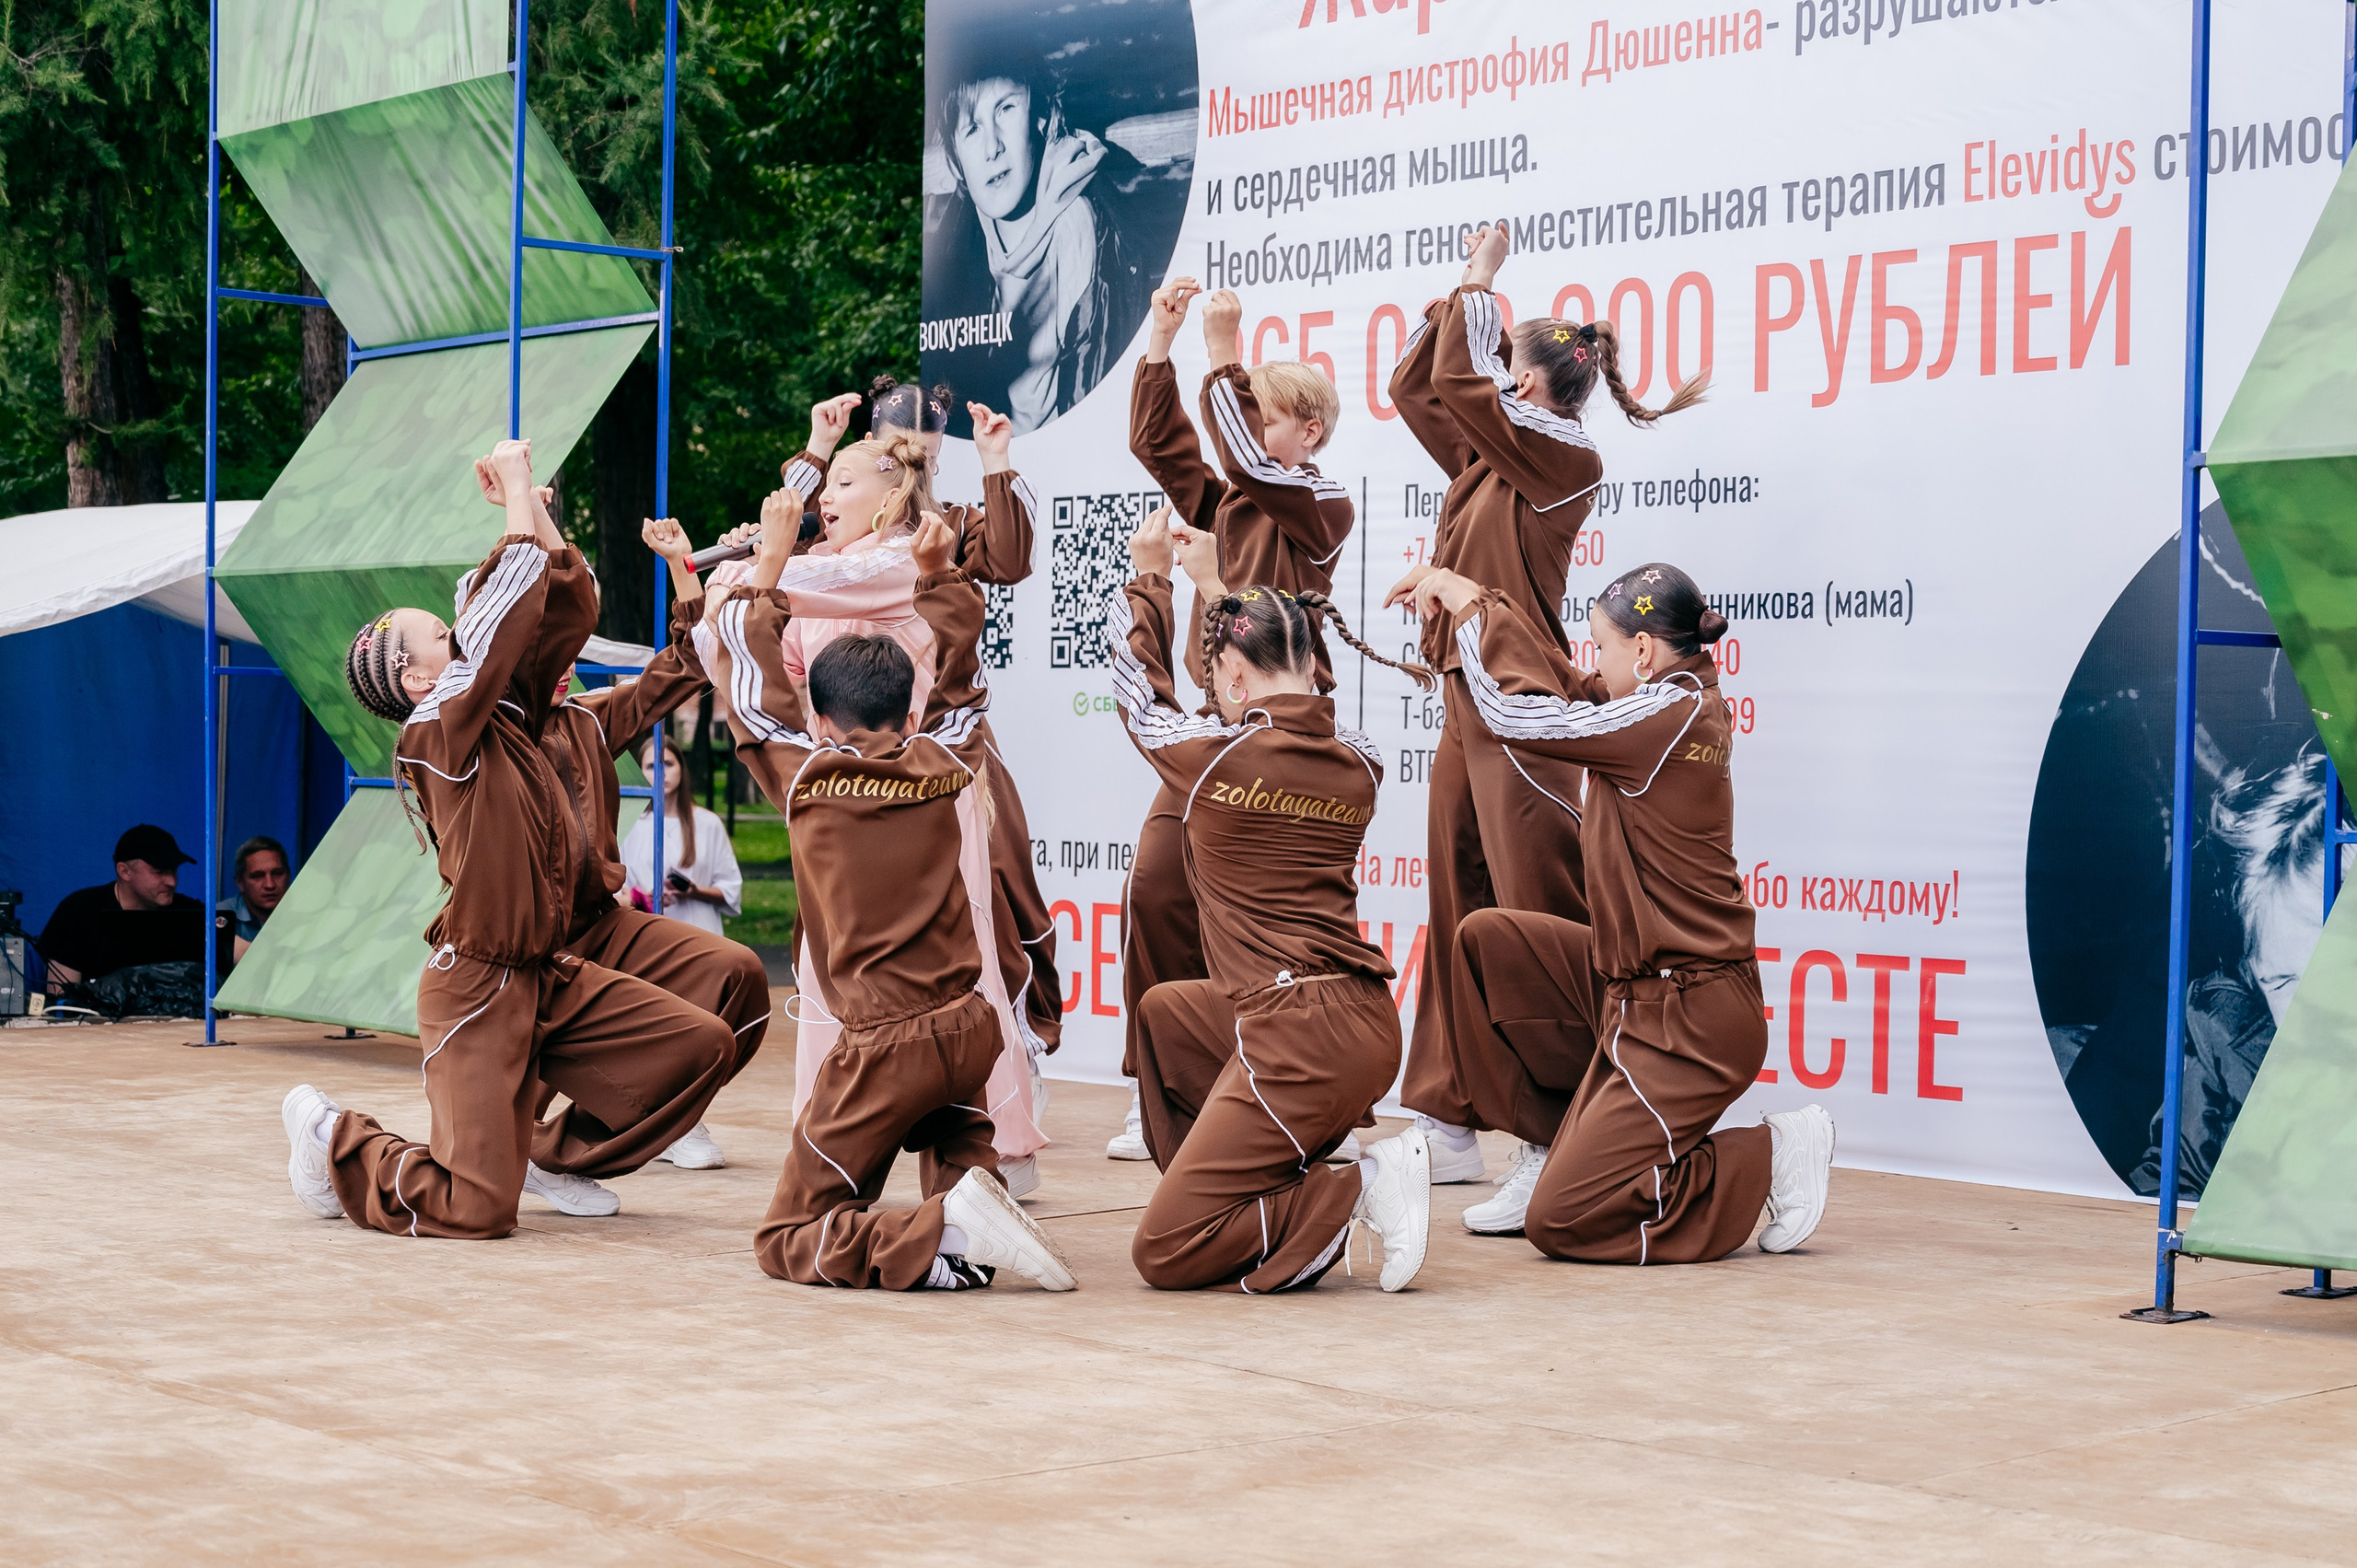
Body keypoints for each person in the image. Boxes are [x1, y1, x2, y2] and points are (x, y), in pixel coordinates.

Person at [279, 438, 737, 1237]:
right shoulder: (435, 731)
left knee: (705, 1037)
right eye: (447, 639)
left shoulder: (522, 716)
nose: (468, 640)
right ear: (423, 681)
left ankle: (553, 1152)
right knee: (477, 1209)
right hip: (482, 985)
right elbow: (503, 625)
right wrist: (520, 495)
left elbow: (564, 610)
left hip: (554, 964)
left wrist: (547, 528)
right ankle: (336, 1143)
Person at [1385, 222, 1704, 1186]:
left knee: (1527, 911)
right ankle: (1446, 1111)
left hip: (1518, 700)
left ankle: (1552, 1123)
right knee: (1456, 902)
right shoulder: (1488, 457)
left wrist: (1479, 284)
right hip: (1462, 700)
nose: (1479, 366)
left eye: (1496, 356)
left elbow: (1459, 383)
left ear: (1522, 382)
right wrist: (1460, 301)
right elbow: (1419, 387)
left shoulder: (1564, 453)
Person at [1407, 560, 1834, 1260]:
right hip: (1633, 993)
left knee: (1565, 1218)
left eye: (1601, 647)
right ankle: (1558, 1140)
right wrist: (1477, 598)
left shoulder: (1666, 712)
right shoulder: (1663, 701)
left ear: (1642, 651)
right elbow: (1571, 686)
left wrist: (1471, 623)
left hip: (1687, 1021)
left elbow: (1515, 714)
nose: (1593, 664)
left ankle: (1771, 1153)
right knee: (1485, 942)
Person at [708, 511, 1074, 1292]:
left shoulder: (811, 779)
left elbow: (747, 677)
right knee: (958, 1167)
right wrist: (939, 573)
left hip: (887, 1043)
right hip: (970, 1025)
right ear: (909, 713)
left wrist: (771, 557)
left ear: (820, 719)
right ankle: (959, 1230)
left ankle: (940, 1226)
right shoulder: (944, 758)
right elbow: (962, 673)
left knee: (786, 1236)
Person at [1111, 507, 1433, 1293]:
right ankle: (1251, 1180)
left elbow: (1135, 697)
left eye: (1221, 676)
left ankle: (1345, 1191)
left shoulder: (1221, 758)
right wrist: (1218, 591)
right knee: (1165, 1011)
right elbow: (1275, 707)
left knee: (1165, 1250)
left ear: (1234, 678)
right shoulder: (1361, 757)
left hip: (1298, 1034)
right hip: (1359, 1021)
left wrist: (1150, 582)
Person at [1111, 278, 1356, 1162]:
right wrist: (1160, 341)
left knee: (1273, 916)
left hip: (1281, 737)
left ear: (1307, 433)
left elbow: (1244, 460)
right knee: (1156, 886)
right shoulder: (1233, 502)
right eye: (1242, 405)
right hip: (1219, 734)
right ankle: (1162, 1087)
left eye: (1262, 409)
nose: (1246, 421)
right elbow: (1158, 442)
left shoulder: (1323, 505)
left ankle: (1303, 1088)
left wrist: (1224, 349)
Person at [926, 50, 1149, 432]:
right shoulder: (966, 235)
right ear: (956, 159)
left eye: (1006, 109)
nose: (992, 148)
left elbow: (1086, 380)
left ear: (1040, 117)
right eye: (972, 128)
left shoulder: (1073, 221)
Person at [39, 824, 205, 996]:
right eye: (160, 871)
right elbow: (61, 999)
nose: (172, 881)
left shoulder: (189, 912)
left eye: (174, 870)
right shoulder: (78, 911)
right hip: (97, 1021)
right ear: (124, 871)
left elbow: (235, 952)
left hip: (179, 1022)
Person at [621, 737, 744, 938]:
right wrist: (643, 897)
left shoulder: (708, 823)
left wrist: (695, 892)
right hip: (649, 936)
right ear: (641, 773)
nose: (660, 772)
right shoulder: (631, 825)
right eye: (651, 766)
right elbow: (617, 891)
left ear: (681, 768)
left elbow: (730, 889)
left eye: (667, 764)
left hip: (701, 934)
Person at [215, 835, 290, 973]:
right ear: (240, 883)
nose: (270, 884)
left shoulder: (308, 914)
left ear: (289, 876)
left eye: (277, 873)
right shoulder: (219, 915)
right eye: (258, 876)